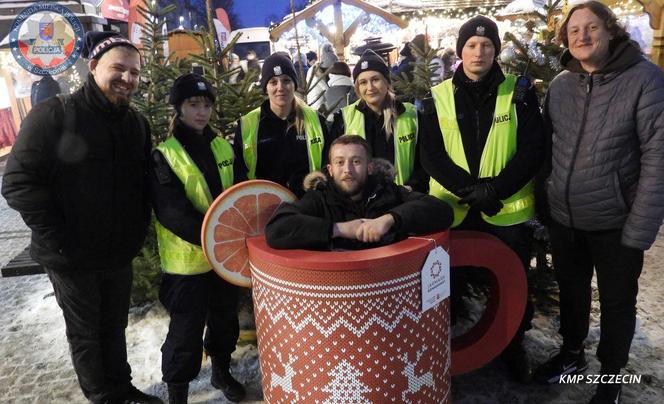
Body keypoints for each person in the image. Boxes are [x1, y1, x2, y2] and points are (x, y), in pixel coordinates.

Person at [1, 31, 160, 403]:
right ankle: (102, 396)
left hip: (117, 251)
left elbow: (140, 182)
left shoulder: (135, 123)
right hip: (71, 256)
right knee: (86, 332)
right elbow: (18, 183)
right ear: (93, 67)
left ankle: (121, 386)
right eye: (118, 68)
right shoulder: (55, 115)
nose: (127, 78)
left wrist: (136, 230)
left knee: (114, 325)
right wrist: (57, 237)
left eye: (134, 72)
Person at [533, 2, 664, 402]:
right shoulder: (560, 86)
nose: (582, 36)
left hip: (616, 221)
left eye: (592, 27)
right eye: (574, 30)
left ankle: (610, 377)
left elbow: (657, 158)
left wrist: (639, 228)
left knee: (616, 302)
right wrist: (545, 204)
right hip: (565, 218)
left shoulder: (645, 80)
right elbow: (546, 150)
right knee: (571, 293)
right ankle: (572, 353)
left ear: (611, 31)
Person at [419, 15, 545, 383]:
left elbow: (532, 148)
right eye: (472, 45)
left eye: (487, 45)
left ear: (496, 51)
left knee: (513, 283)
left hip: (505, 210)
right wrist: (470, 191)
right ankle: (440, 348)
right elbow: (431, 155)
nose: (479, 51)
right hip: (452, 210)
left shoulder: (518, 92)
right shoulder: (437, 96)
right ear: (460, 51)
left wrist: (494, 190)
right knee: (442, 285)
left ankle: (513, 345)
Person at [149, 74, 246, 403]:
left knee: (224, 321)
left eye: (206, 105)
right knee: (184, 334)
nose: (201, 112)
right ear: (179, 108)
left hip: (224, 259)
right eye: (193, 105)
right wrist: (217, 236)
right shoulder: (165, 155)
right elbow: (172, 213)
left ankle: (221, 371)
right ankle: (178, 392)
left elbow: (240, 192)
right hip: (187, 264)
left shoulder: (222, 146)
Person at [265, 135, 453, 250]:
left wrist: (389, 220)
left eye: (356, 161)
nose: (347, 169)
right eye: (340, 162)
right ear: (330, 169)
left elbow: (441, 210)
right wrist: (339, 229)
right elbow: (277, 229)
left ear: (369, 167)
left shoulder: (388, 192)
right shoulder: (319, 198)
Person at [330, 49, 429, 193]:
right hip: (361, 201)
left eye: (375, 79)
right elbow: (334, 164)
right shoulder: (345, 118)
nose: (370, 88)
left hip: (403, 198)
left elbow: (426, 161)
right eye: (363, 82)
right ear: (358, 87)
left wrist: (411, 187)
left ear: (386, 81)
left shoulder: (411, 115)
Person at [232, 52, 330, 197]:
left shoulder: (316, 121)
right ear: (265, 88)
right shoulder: (247, 124)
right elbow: (239, 174)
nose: (280, 87)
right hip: (265, 209)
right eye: (273, 82)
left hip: (308, 206)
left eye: (286, 81)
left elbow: (328, 166)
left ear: (294, 85)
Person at [306, 43, 338, 111]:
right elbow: (327, 91)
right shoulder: (315, 73)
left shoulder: (315, 69)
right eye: (329, 69)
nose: (330, 71)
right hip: (317, 107)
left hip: (318, 105)